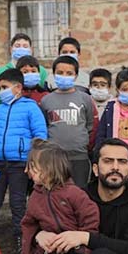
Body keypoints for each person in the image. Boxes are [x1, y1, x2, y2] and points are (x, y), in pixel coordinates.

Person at [0, 68, 48, 251]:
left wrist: (32, 158)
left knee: (18, 203)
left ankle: (22, 239)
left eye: (4, 87)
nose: (1, 91)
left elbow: (40, 134)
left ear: (17, 88)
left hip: (19, 163)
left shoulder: (31, 107)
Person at [40, 55, 96, 188]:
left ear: (76, 76)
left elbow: (89, 125)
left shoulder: (85, 98)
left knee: (79, 191)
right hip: (55, 157)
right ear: (53, 74)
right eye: (60, 73)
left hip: (79, 156)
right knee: (55, 191)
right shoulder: (46, 100)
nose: (64, 76)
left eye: (69, 73)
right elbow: (45, 125)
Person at [0, 33, 49, 110]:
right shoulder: (1, 71)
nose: (21, 49)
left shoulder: (41, 71)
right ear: (11, 49)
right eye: (17, 46)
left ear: (31, 50)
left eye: (25, 46)